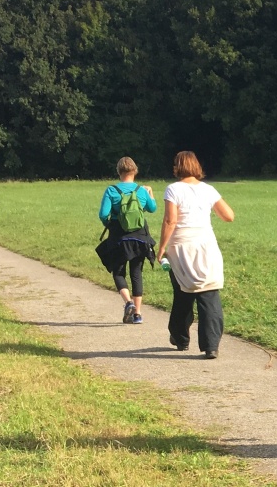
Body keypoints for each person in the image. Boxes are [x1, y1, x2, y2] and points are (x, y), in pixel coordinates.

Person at [156, 151, 234, 359]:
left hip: (181, 248)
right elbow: (228, 216)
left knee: (183, 294)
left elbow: (170, 221)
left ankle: (180, 339)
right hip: (206, 246)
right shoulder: (209, 190)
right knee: (209, 294)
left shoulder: (173, 189)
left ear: (177, 167)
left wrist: (162, 247)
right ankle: (211, 346)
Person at [95, 156, 157, 324]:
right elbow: (152, 208)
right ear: (135, 171)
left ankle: (128, 302)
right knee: (136, 273)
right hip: (140, 237)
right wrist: (150, 193)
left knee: (118, 271)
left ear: (119, 172)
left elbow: (103, 214)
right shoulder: (141, 190)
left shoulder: (111, 190)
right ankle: (137, 314)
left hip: (119, 238)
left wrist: (111, 224)